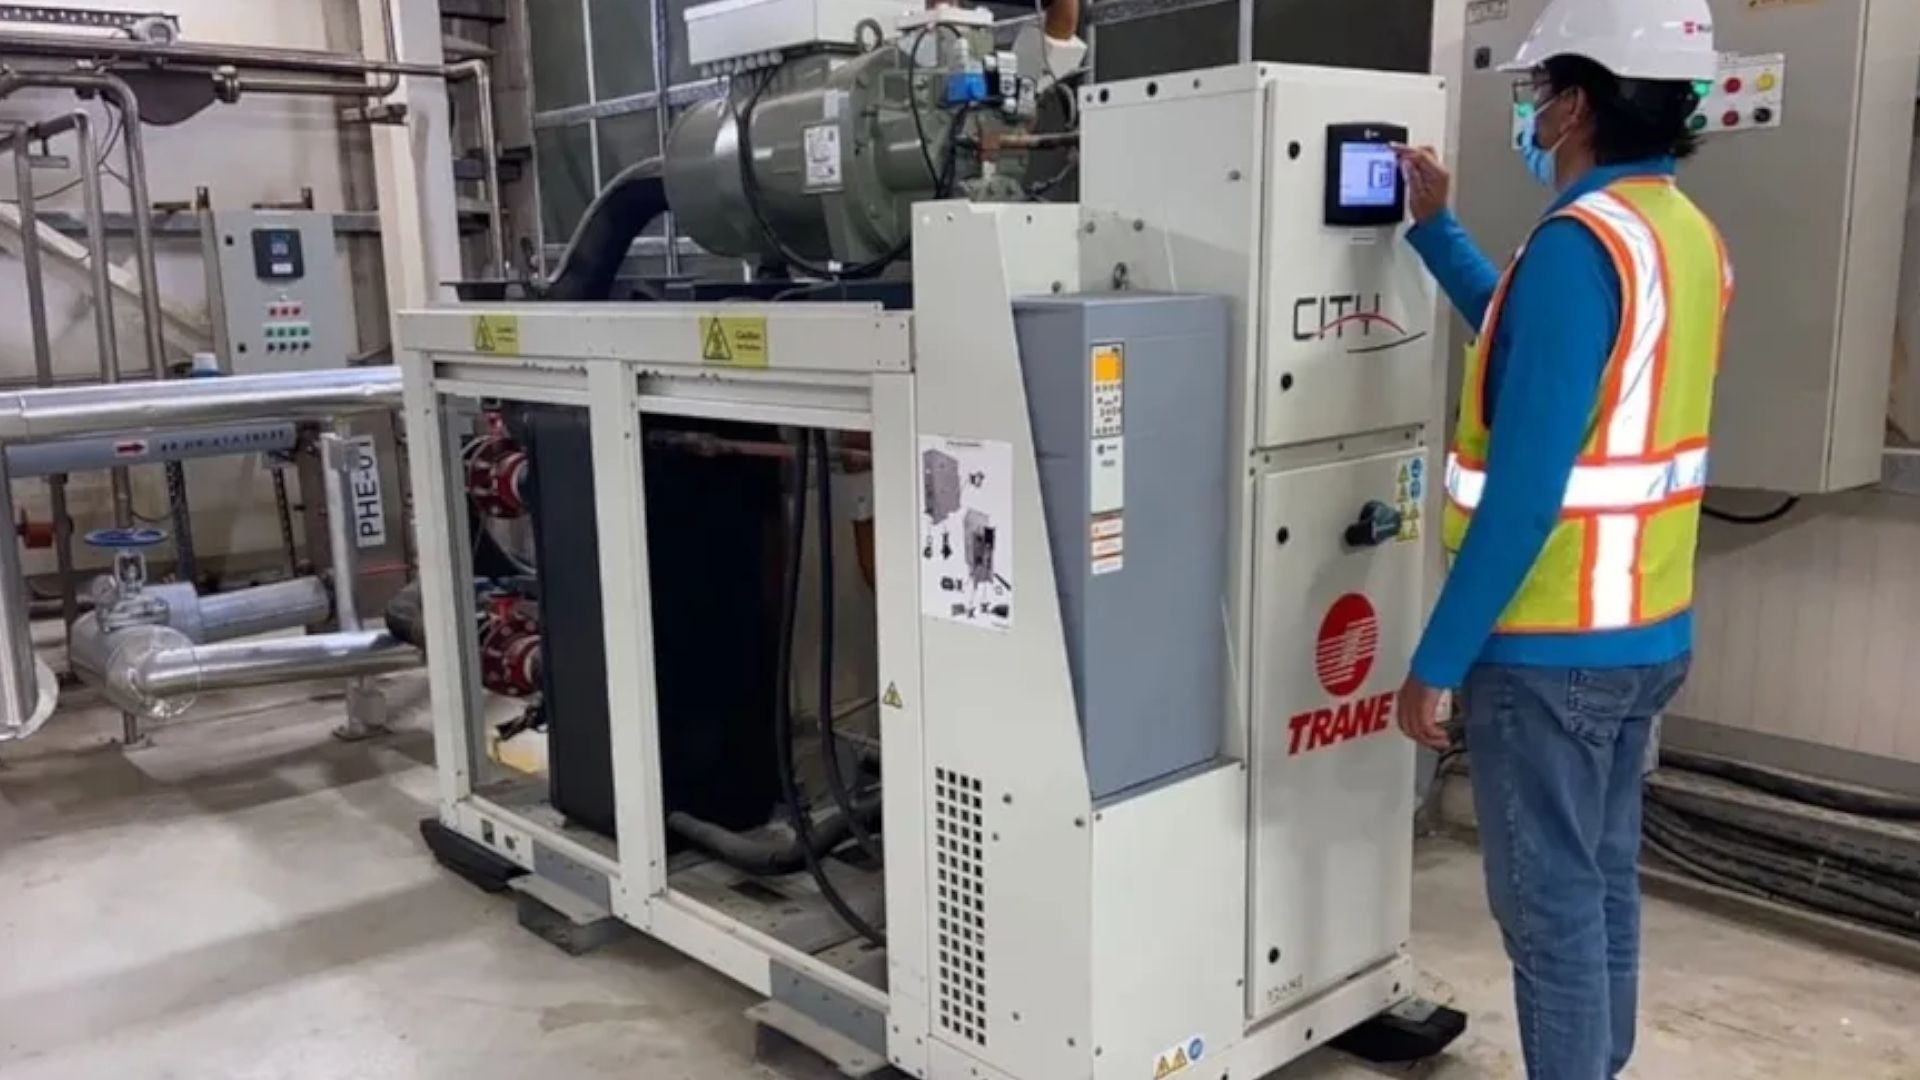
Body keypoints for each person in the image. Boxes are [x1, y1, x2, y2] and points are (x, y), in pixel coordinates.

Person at [1391, 2, 1731, 1077]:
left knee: (1549, 914)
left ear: (1577, 105)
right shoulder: (1679, 234)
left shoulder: (1579, 247)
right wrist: (1436, 231)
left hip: (1550, 647)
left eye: (1538, 93)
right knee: (1598, 884)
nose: (1531, 114)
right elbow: (1537, 351)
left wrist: (1437, 661)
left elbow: (1528, 495)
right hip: (1646, 632)